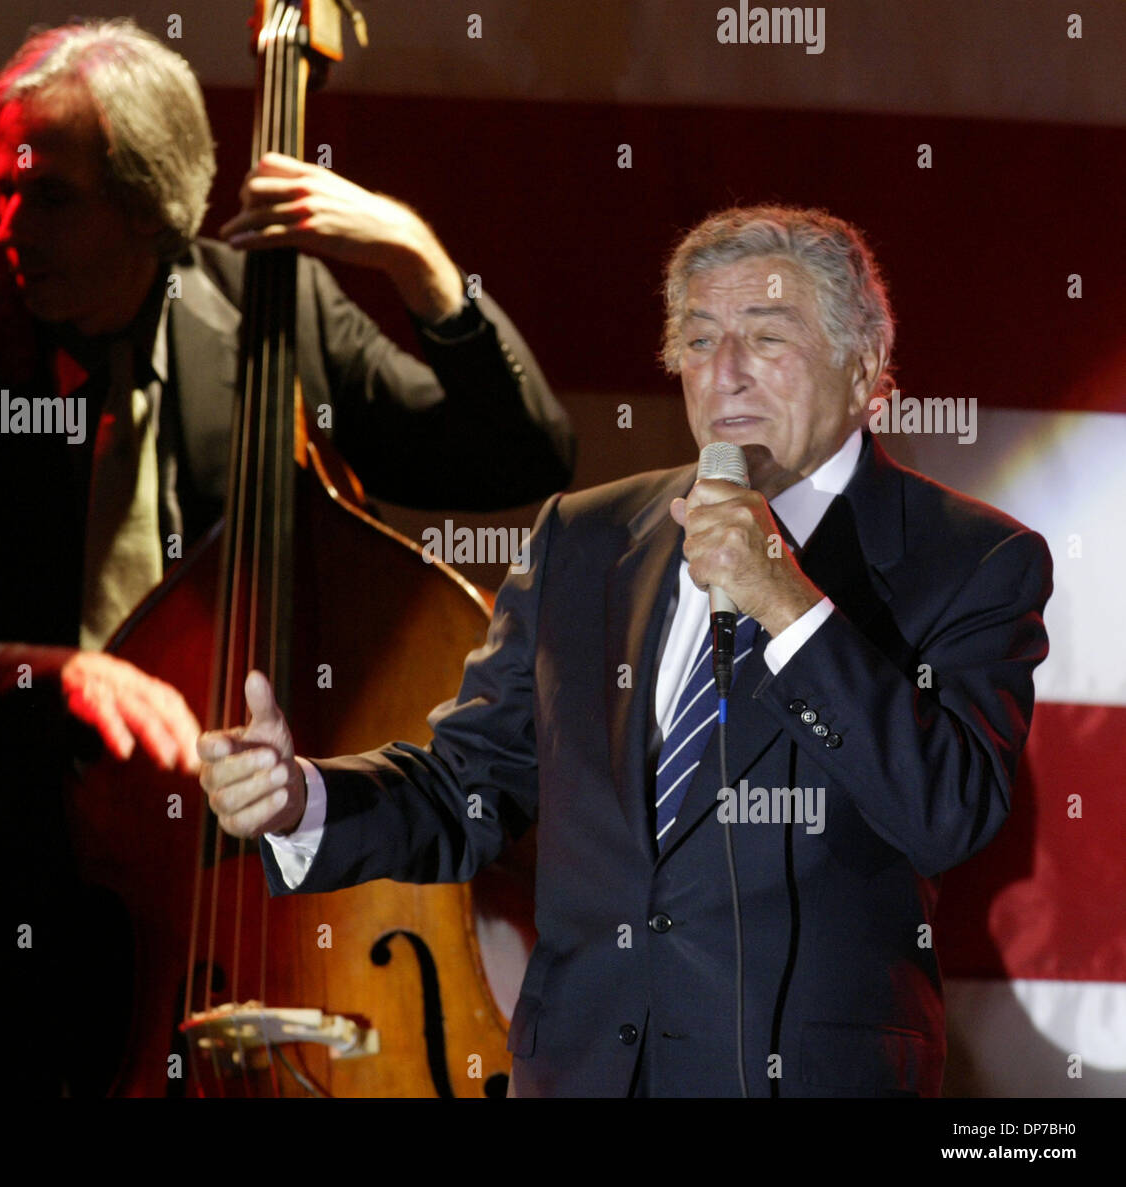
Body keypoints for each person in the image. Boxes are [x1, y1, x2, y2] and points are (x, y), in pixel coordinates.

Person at [0, 19, 573, 1098]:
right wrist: (65, 673)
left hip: (245, 890)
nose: (6, 228)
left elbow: (522, 452)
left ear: (149, 199)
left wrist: (416, 259)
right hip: (4, 887)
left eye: (49, 196)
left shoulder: (283, 316)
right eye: (1, 189)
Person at [199, 205, 1054, 1097]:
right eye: (698, 339)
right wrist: (302, 798)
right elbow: (470, 787)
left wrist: (787, 602)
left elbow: (946, 812)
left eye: (766, 338)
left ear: (865, 365)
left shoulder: (971, 561)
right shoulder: (586, 536)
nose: (725, 374)